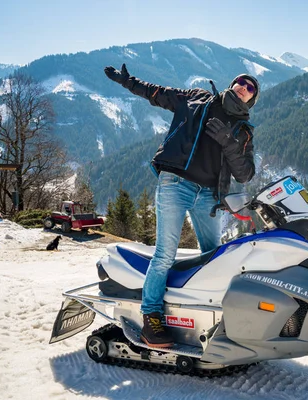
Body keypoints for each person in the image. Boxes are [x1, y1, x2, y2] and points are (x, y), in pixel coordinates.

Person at [104, 63, 259, 348]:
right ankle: (151, 316)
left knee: (214, 256)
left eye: (251, 88)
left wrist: (229, 143)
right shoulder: (197, 98)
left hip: (208, 196)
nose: (244, 87)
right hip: (175, 183)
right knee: (165, 253)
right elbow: (157, 93)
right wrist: (127, 81)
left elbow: (245, 173)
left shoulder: (243, 131)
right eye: (241, 81)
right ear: (232, 83)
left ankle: (210, 313)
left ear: (252, 99)